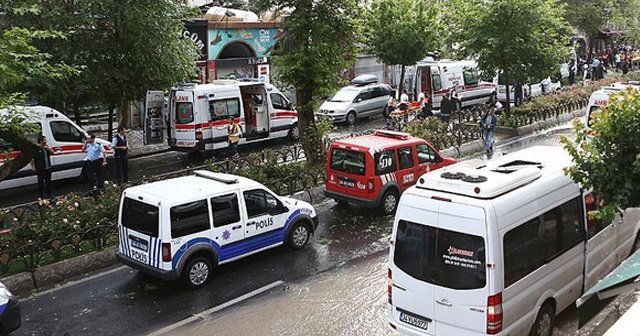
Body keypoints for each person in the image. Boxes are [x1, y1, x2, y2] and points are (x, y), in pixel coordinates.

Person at [30, 135, 54, 199]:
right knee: (41, 183)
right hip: (41, 169)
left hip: (48, 167)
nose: (46, 141)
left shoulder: (47, 148)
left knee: (48, 183)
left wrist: (48, 148)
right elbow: (32, 158)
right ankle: (41, 196)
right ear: (41, 141)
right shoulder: (37, 149)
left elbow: (52, 153)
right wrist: (33, 167)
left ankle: (49, 195)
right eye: (44, 140)